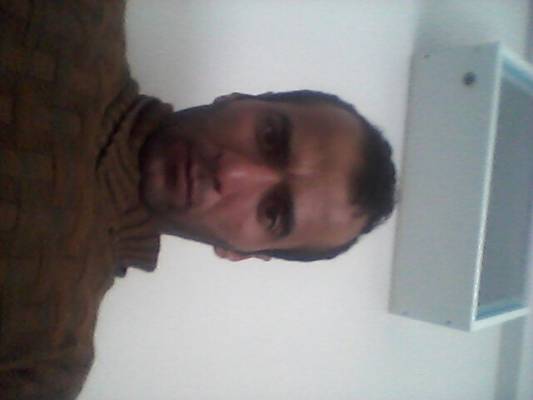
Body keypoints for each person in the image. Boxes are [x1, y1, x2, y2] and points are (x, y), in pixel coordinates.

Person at [0, 1, 395, 399]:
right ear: (237, 98)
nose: (233, 171)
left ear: (240, 252)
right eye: (270, 137)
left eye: (272, 212)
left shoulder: (45, 362)